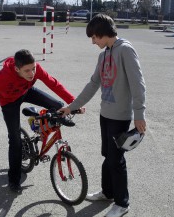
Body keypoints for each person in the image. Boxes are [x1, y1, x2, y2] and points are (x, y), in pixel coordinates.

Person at [59, 14, 146, 217]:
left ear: (102, 34)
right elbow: (93, 84)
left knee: (116, 160)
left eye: (94, 38)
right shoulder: (103, 55)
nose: (93, 42)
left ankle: (122, 203)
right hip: (105, 115)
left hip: (120, 116)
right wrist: (72, 107)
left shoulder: (125, 50)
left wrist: (139, 114)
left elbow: (138, 84)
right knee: (108, 156)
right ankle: (107, 193)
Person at [0, 49, 75, 193]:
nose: (32, 73)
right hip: (8, 103)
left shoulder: (35, 69)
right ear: (16, 69)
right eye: (27, 71)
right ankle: (13, 180)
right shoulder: (3, 78)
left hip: (26, 91)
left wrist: (73, 102)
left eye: (33, 68)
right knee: (15, 140)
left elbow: (53, 83)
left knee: (58, 106)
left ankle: (41, 123)